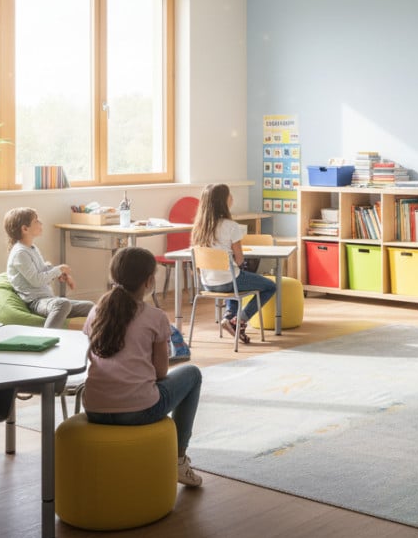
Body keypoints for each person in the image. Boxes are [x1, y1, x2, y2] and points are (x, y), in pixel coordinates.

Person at [81, 246, 203, 487]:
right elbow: (160, 372)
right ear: (149, 281)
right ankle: (179, 459)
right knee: (193, 374)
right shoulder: (155, 317)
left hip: (94, 408)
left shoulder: (96, 312)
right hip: (137, 411)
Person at [190, 183, 276, 344]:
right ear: (223, 201)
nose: (232, 198)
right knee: (270, 286)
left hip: (207, 283)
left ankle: (229, 318)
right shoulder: (231, 226)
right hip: (228, 281)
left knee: (236, 280)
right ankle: (240, 320)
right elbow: (239, 259)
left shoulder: (199, 227)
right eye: (229, 195)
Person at [4, 207, 93, 328]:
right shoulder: (20, 253)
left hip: (47, 299)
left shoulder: (32, 248)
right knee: (62, 304)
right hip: (36, 302)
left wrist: (58, 273)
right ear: (25, 229)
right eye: (36, 221)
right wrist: (58, 270)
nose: (41, 223)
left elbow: (41, 271)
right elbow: (36, 281)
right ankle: (46, 335)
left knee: (90, 306)